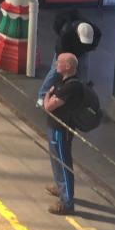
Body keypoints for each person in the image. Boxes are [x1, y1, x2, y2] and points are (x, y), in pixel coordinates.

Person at [43, 52, 83, 215]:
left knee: (63, 163)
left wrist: (46, 96)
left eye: (59, 62)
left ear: (68, 66)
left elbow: (49, 106)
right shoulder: (64, 81)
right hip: (55, 127)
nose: (55, 64)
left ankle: (67, 202)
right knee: (56, 160)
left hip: (61, 130)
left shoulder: (70, 86)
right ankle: (60, 187)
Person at [37, 11, 103, 105]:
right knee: (55, 71)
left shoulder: (94, 31)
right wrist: (63, 63)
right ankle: (42, 96)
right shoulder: (66, 32)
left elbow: (95, 41)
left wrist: (87, 49)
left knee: (82, 72)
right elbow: (61, 51)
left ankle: (82, 97)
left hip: (82, 52)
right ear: (78, 34)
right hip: (66, 51)